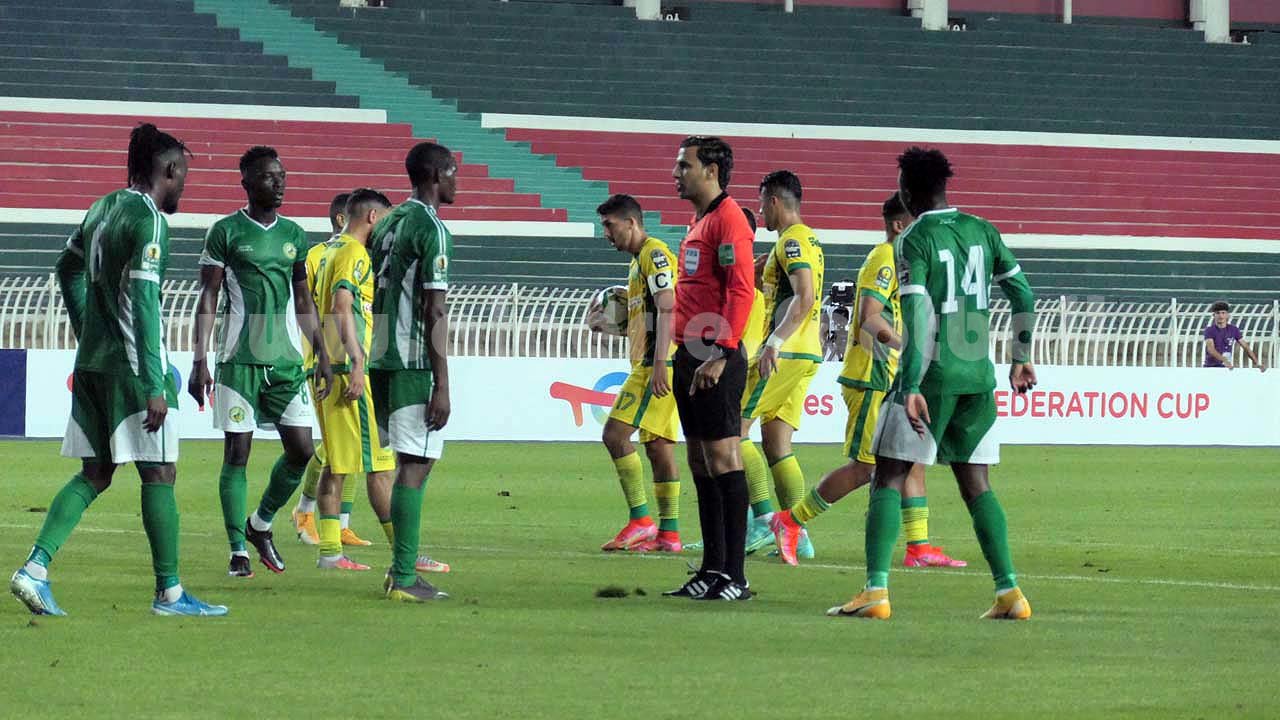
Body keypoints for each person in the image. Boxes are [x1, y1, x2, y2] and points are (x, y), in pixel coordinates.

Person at [9, 124, 227, 616]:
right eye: (183, 174)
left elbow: (65, 268)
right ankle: (170, 594)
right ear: (168, 170)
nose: (184, 184)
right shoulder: (149, 220)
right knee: (161, 472)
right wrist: (154, 384)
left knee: (97, 471)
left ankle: (35, 569)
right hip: (133, 368)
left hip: (92, 362)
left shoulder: (101, 208)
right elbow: (145, 304)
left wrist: (89, 328)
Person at [829, 147, 1035, 621]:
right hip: (978, 376)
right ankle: (1009, 592)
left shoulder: (913, 239)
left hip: (933, 375)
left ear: (906, 189)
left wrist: (911, 382)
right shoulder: (983, 230)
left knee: (888, 473)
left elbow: (920, 312)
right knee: (976, 483)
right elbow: (1023, 294)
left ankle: (875, 591)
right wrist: (1021, 357)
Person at [770, 193, 967, 569]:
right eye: (917, 223)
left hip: (896, 378)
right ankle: (790, 521)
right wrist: (907, 344)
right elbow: (869, 317)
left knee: (913, 461)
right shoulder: (886, 257)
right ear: (899, 225)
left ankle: (919, 547)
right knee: (867, 467)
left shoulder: (906, 260)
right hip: (872, 376)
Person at [189, 146, 333, 579]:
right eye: (269, 176)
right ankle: (238, 550)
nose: (279, 182)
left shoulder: (294, 234)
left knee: (302, 451)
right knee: (238, 453)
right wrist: (199, 358)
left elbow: (304, 300)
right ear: (247, 183)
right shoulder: (226, 232)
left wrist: (322, 353)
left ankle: (260, 523)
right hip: (239, 360)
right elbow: (208, 296)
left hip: (285, 362)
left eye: (282, 175)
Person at [661, 136, 756, 601]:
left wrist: (721, 352)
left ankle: (736, 576)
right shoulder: (700, 220)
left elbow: (741, 290)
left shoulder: (729, 219)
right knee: (700, 460)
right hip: (690, 351)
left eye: (685, 166)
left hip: (715, 353)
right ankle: (712, 568)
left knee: (724, 458)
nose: (676, 174)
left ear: (711, 171)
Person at [368, 141, 457, 602]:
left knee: (414, 461)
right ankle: (403, 576)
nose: (457, 181)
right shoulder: (431, 228)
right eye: (453, 172)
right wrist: (442, 383)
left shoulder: (388, 222)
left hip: (382, 355)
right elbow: (434, 309)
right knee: (416, 464)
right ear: (437, 175)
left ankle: (401, 569)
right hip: (413, 361)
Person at [310, 188, 401, 570]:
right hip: (348, 368)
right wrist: (359, 361)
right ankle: (404, 552)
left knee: (337, 463)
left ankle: (330, 552)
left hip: (325, 364)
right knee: (380, 464)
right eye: (387, 221)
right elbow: (342, 305)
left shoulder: (324, 252)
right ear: (373, 217)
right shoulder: (354, 253)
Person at [738, 171, 824, 560]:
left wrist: (773, 341)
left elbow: (804, 296)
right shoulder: (808, 240)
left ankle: (762, 521)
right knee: (776, 444)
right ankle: (797, 535)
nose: (761, 212)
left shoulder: (791, 240)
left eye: (762, 204)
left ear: (773, 201)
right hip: (807, 352)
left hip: (785, 351)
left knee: (732, 431)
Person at [595, 194, 683, 553]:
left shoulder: (653, 253)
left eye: (609, 225)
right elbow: (646, 320)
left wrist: (660, 363)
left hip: (655, 366)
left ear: (631, 223)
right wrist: (608, 325)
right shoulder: (636, 263)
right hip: (656, 361)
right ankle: (669, 534)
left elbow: (668, 307)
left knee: (614, 435)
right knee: (658, 447)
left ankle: (641, 521)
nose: (606, 233)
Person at [1203, 301, 1266, 371]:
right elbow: (1211, 349)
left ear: (1227, 315)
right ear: (1213, 315)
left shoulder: (1233, 329)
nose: (1220, 316)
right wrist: (1224, 360)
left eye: (1223, 313)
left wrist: (1257, 363)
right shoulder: (1209, 330)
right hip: (1211, 368)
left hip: (1226, 368)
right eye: (1218, 313)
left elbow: (1246, 347)